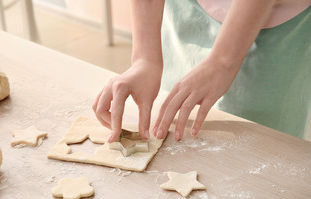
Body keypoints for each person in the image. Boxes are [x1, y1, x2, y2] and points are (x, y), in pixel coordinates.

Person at [93, 0, 311, 142]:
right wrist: (145, 58)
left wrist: (223, 60)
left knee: (257, 143)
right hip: (186, 8)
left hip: (271, 17)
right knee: (178, 123)